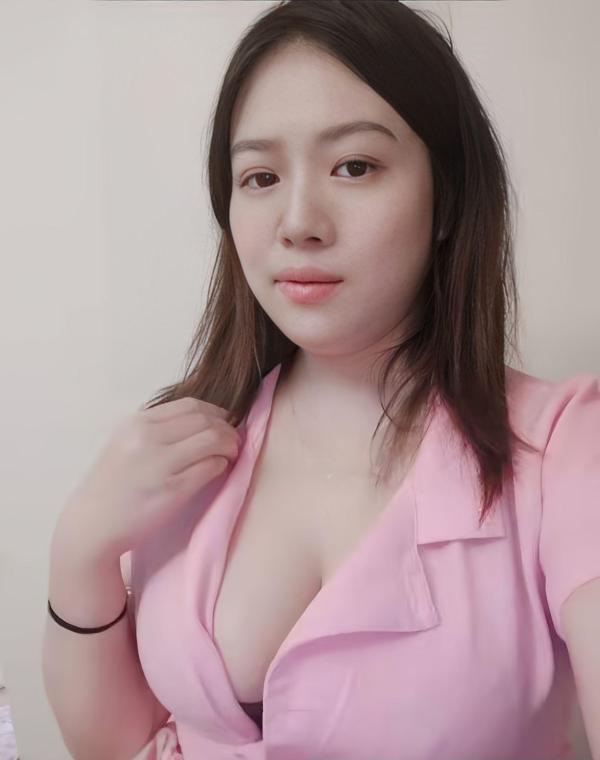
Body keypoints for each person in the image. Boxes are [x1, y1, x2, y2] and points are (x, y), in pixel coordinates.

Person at [43, 2, 600, 759]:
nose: (298, 221)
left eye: (354, 166)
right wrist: (81, 552)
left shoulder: (565, 448)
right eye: (261, 176)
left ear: (446, 197)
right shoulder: (184, 441)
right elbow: (122, 745)